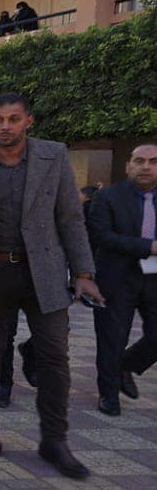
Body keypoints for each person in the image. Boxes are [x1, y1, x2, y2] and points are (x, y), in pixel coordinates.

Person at [0, 92, 101, 478]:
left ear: (28, 121)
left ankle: (54, 439)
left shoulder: (53, 156)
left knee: (55, 356)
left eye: (13, 119)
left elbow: (70, 217)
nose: (5, 127)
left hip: (44, 272)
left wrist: (83, 273)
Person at [88, 143, 157, 416]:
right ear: (128, 165)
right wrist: (148, 246)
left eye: (153, 161)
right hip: (118, 277)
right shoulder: (107, 197)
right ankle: (108, 396)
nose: (146, 166)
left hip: (155, 279)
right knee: (112, 339)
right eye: (140, 161)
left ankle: (126, 365)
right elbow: (101, 235)